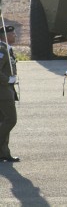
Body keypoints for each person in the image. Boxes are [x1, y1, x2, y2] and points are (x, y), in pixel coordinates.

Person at [0, 25, 19, 162]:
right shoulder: (2, 49)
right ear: (4, 36)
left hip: (7, 89)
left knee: (3, 121)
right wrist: (7, 79)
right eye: (12, 33)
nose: (15, 35)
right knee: (11, 120)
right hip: (3, 90)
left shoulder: (6, 48)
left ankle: (4, 153)